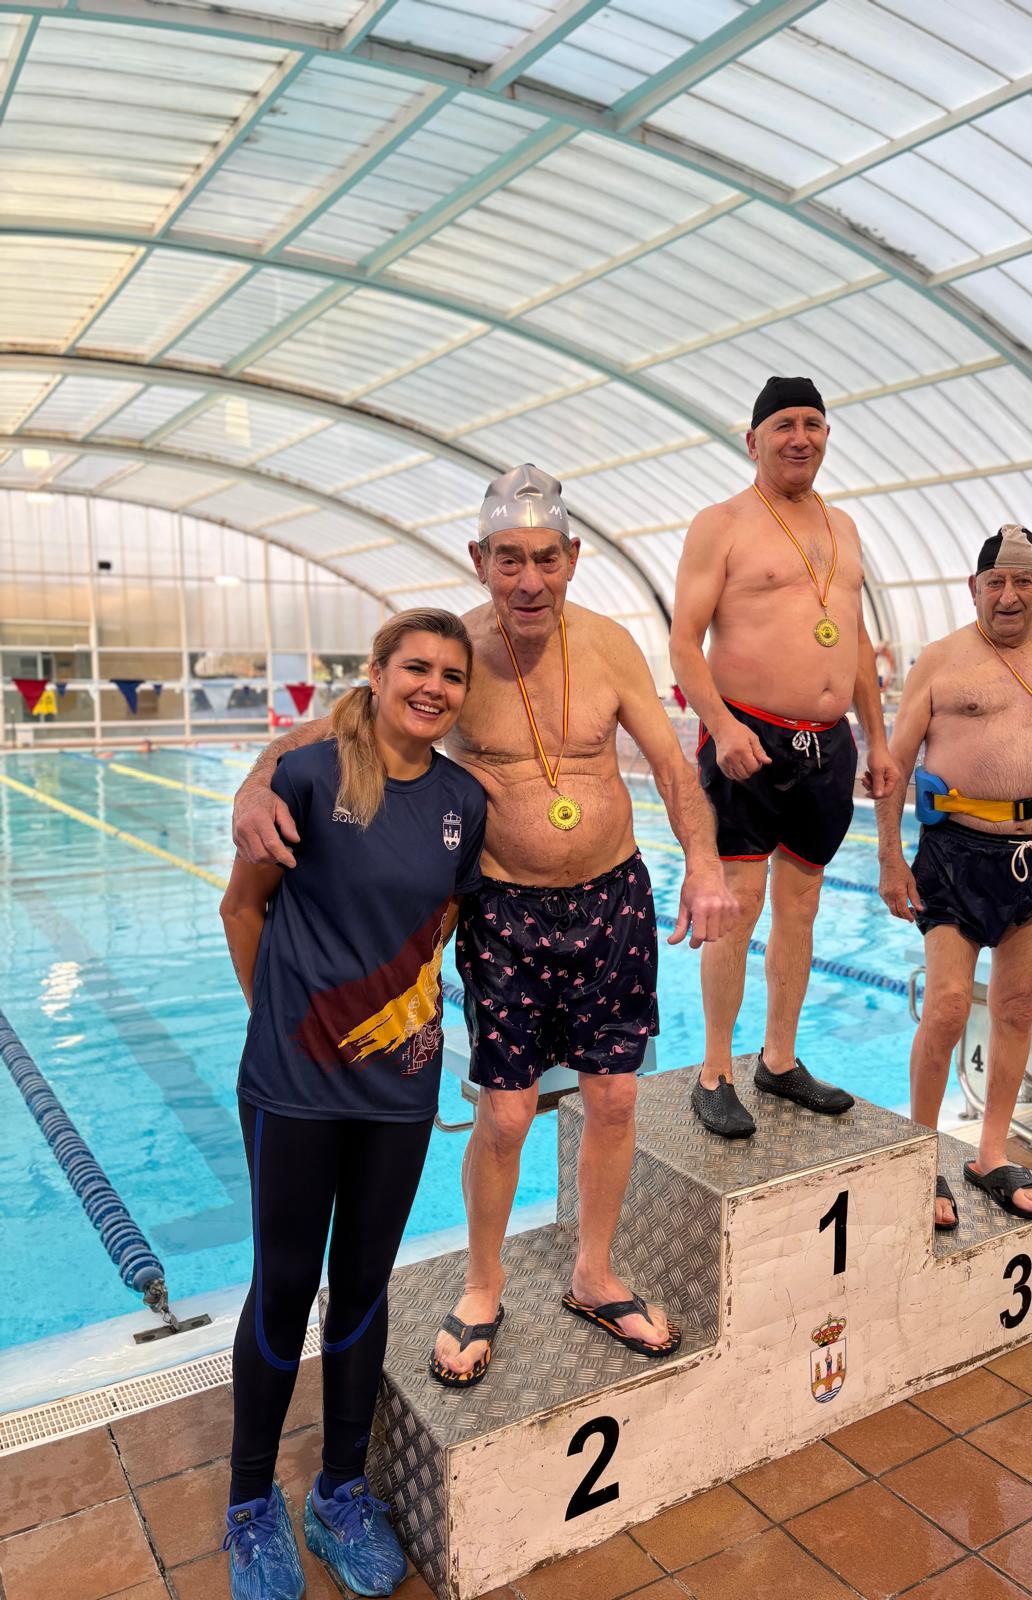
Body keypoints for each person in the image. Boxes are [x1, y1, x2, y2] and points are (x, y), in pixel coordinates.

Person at [233, 463, 737, 1391]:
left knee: (615, 1099)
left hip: (614, 899)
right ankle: (482, 1284)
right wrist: (255, 785)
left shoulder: (612, 646)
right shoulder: (452, 658)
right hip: (505, 910)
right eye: (510, 560)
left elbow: (673, 768)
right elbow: (332, 729)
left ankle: (593, 1272)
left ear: (573, 557)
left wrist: (704, 866)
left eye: (546, 558)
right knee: (503, 1114)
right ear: (479, 559)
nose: (529, 580)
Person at [219, 609, 485, 1599]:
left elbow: (438, 928)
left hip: (398, 1087)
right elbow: (242, 907)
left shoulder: (462, 801)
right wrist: (283, 1023)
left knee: (365, 1283)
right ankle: (251, 1504)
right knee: (284, 1284)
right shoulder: (305, 776)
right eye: (416, 666)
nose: (433, 687)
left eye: (452, 675)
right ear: (375, 673)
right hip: (293, 1084)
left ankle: (339, 1492)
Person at [875, 525, 1032, 1226]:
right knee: (948, 1006)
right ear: (974, 588)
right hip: (956, 854)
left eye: (1022, 582)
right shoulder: (942, 661)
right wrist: (890, 857)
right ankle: (922, 1154)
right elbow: (894, 766)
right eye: (995, 582)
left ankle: (990, 1153)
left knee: (1016, 1008)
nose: (1007, 596)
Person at [670, 375, 899, 1138]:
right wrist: (722, 726)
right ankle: (714, 1071)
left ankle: (778, 1059)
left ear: (826, 435)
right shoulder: (722, 523)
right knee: (736, 906)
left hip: (827, 745)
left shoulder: (844, 527)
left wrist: (877, 737)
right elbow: (684, 641)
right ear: (754, 441)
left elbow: (855, 642)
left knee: (802, 904)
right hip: (749, 736)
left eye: (813, 424)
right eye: (784, 426)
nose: (800, 437)